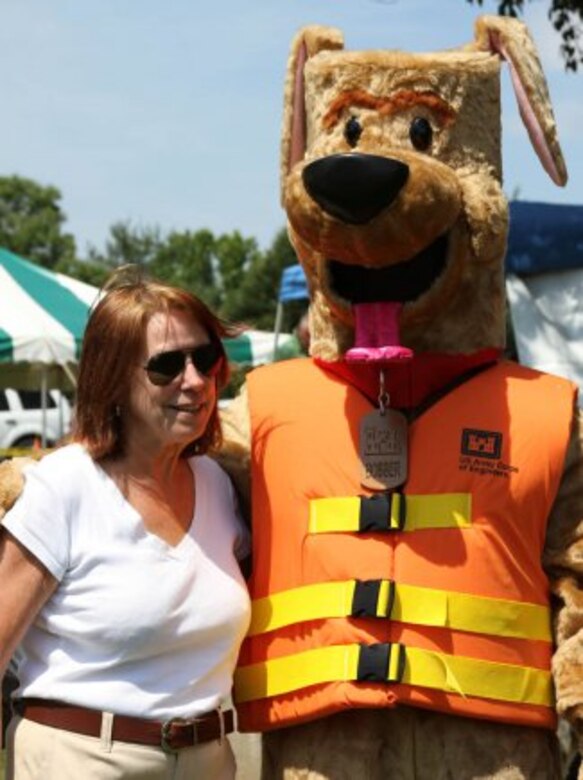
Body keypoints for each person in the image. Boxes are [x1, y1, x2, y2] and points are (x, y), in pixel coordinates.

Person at [0, 267, 251, 780]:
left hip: (209, 760)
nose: (196, 380)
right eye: (166, 366)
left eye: (205, 358)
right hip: (80, 759)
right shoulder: (63, 486)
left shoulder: (220, 486)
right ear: (113, 379)